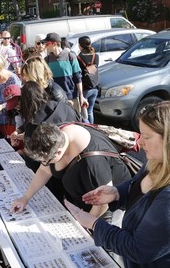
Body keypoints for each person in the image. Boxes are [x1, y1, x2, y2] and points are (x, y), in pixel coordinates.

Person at [65, 101, 170, 268]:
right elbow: (137, 187)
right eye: (141, 133)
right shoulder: (155, 162)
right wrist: (117, 193)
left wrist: (94, 223)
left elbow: (138, 249)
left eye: (147, 137)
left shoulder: (167, 198)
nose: (140, 142)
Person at [12, 122, 131, 220]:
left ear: (58, 152)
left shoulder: (92, 162)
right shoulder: (57, 136)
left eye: (47, 161)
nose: (45, 165)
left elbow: (103, 203)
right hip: (83, 202)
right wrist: (25, 198)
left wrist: (86, 223)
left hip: (109, 208)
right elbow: (44, 171)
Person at [44, 32, 88, 112]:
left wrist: (81, 96)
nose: (45, 46)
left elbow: (78, 77)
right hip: (55, 99)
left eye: (47, 44)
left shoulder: (70, 56)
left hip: (71, 98)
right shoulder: (47, 60)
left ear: (54, 44)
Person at [77, 36, 100, 123]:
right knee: (90, 111)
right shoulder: (96, 56)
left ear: (80, 46)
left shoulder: (78, 58)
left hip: (85, 90)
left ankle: (89, 129)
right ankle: (93, 128)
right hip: (95, 87)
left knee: (83, 113)